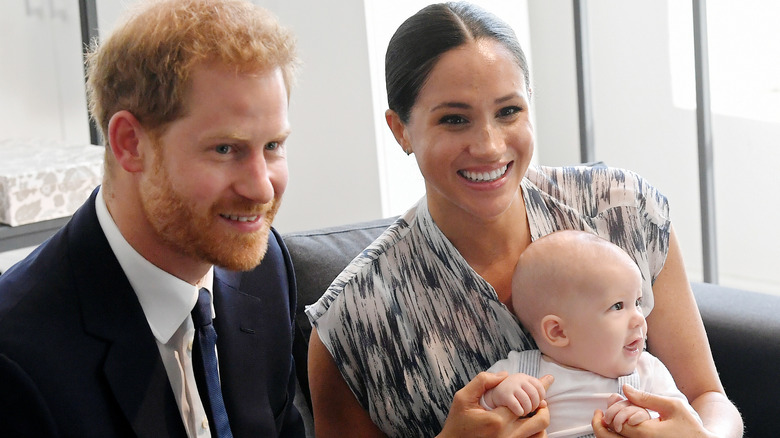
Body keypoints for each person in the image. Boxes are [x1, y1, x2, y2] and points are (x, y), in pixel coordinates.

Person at [306, 2, 742, 437]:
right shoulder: (353, 322)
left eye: (508, 111)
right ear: (400, 130)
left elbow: (707, 396)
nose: (490, 146)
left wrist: (704, 436)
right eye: (455, 120)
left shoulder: (623, 211)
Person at [0, 0, 304, 436]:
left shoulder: (265, 268)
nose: (261, 188)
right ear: (129, 143)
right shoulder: (16, 358)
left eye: (273, 145)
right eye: (225, 149)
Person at [480, 230, 701, 437]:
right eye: (617, 306)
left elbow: (688, 425)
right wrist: (496, 397)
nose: (639, 318)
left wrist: (648, 418)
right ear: (557, 331)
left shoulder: (648, 372)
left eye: (638, 302)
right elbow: (474, 419)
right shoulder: (518, 373)